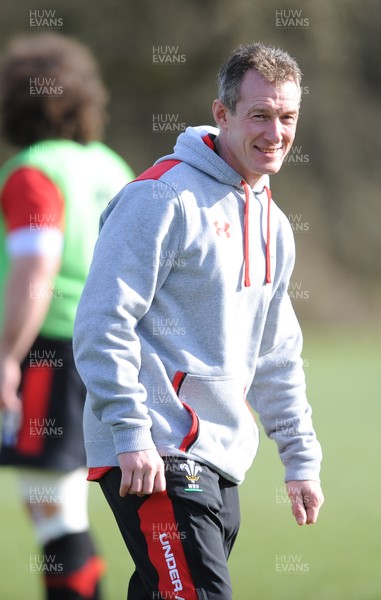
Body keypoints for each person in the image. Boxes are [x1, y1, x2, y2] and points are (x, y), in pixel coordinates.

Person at [73, 43, 324, 600]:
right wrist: (131, 430)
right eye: (259, 115)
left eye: (287, 118)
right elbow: (101, 320)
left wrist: (300, 457)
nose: (275, 133)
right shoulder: (162, 197)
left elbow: (276, 352)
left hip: (219, 456)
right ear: (222, 114)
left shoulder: (274, 222)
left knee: (166, 591)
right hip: (156, 450)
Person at [0, 33, 134, 599]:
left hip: (51, 354)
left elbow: (37, 268)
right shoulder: (112, 165)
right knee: (67, 512)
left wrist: (7, 355)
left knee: (54, 516)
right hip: (111, 353)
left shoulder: (33, 170)